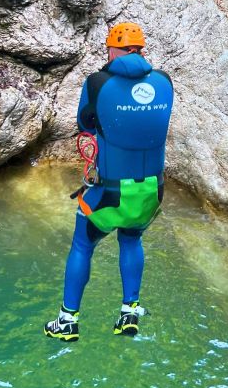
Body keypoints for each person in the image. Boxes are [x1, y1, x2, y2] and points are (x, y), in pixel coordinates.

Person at [44, 22, 174, 342]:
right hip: (151, 192)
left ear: (112, 50)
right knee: (131, 240)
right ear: (141, 49)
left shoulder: (98, 83)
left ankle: (67, 320)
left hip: (111, 193)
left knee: (82, 244)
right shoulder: (164, 82)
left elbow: (85, 123)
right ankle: (129, 312)